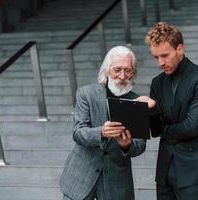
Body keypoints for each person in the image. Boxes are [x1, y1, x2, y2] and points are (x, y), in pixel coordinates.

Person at [141, 22, 198, 200]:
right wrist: (152, 110)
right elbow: (155, 131)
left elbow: (191, 127)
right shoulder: (157, 82)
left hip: (194, 169)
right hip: (165, 170)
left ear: (179, 49)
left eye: (165, 55)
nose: (160, 62)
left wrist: (165, 129)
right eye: (156, 57)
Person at [59, 46, 147, 200]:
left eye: (128, 70)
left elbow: (140, 145)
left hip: (117, 183)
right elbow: (78, 132)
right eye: (117, 70)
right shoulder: (86, 94)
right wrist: (101, 132)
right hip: (80, 177)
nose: (122, 76)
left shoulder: (137, 102)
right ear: (107, 71)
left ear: (133, 73)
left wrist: (126, 145)